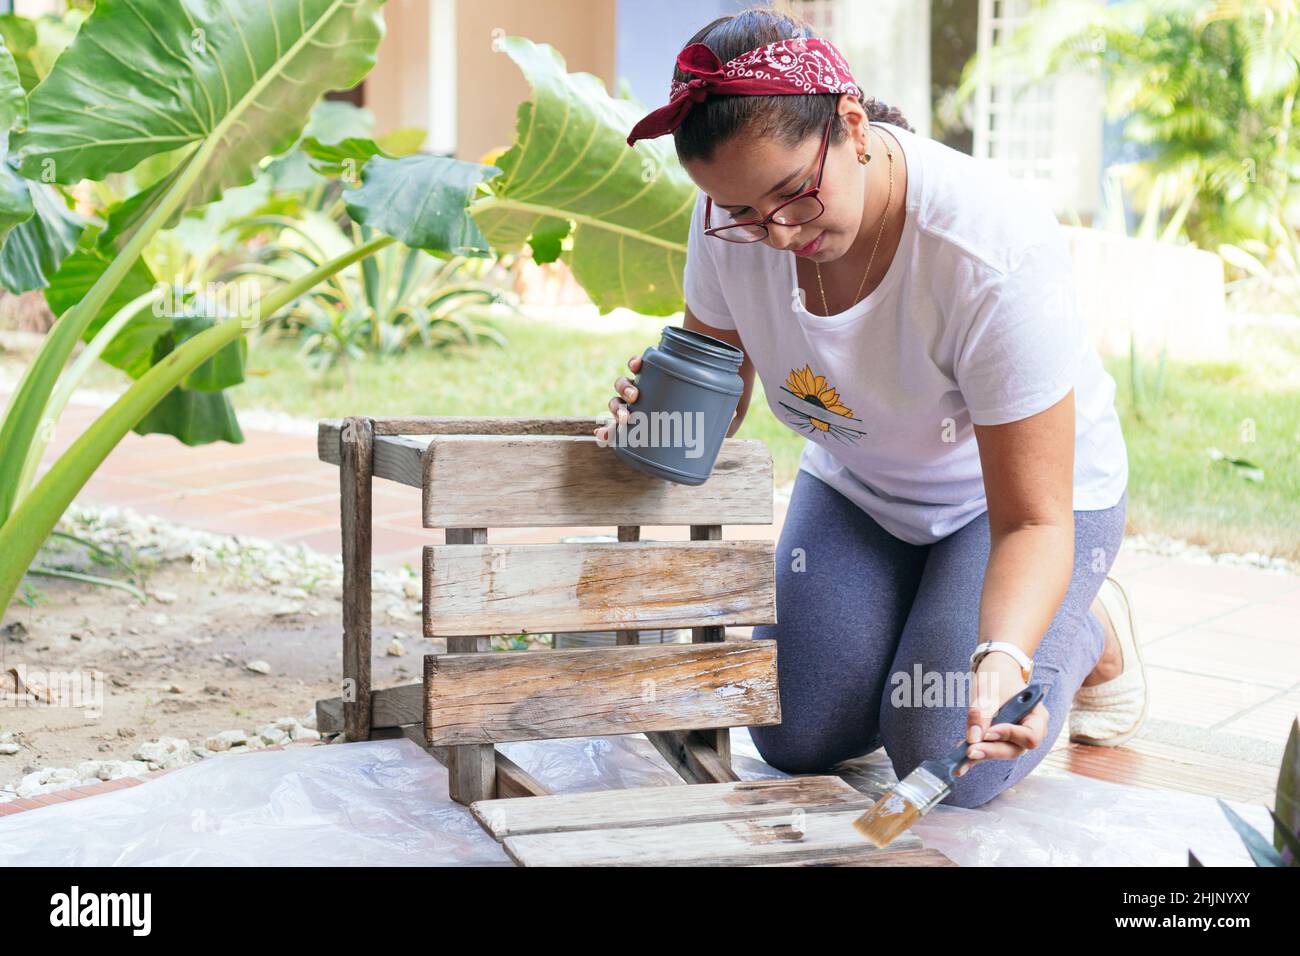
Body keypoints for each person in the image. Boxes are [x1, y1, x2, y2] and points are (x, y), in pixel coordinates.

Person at [594, 5, 1147, 808]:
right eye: (743, 213)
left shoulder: (989, 248)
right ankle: (925, 601)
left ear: (851, 123)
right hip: (865, 485)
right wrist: (659, 417)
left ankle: (1086, 627)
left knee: (943, 754)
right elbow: (727, 384)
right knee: (794, 734)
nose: (775, 235)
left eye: (793, 196)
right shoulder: (728, 219)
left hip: (1016, 507)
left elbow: (1034, 518)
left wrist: (1003, 655)